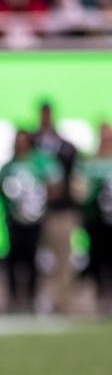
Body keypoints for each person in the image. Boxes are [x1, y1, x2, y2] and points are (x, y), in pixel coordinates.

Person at [0, 128, 61, 313]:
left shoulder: (39, 163)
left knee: (32, 258)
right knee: (13, 259)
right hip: (13, 219)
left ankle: (32, 297)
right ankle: (14, 298)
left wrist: (38, 198)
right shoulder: (9, 166)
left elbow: (55, 186)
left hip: (34, 219)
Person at [31, 101, 80, 314]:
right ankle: (39, 300)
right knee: (37, 258)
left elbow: (75, 176)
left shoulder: (65, 147)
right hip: (34, 213)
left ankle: (63, 301)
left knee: (63, 257)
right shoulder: (31, 144)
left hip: (60, 210)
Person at [73, 121, 112, 314]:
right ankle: (101, 294)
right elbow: (79, 189)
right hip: (95, 218)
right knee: (97, 256)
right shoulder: (89, 162)